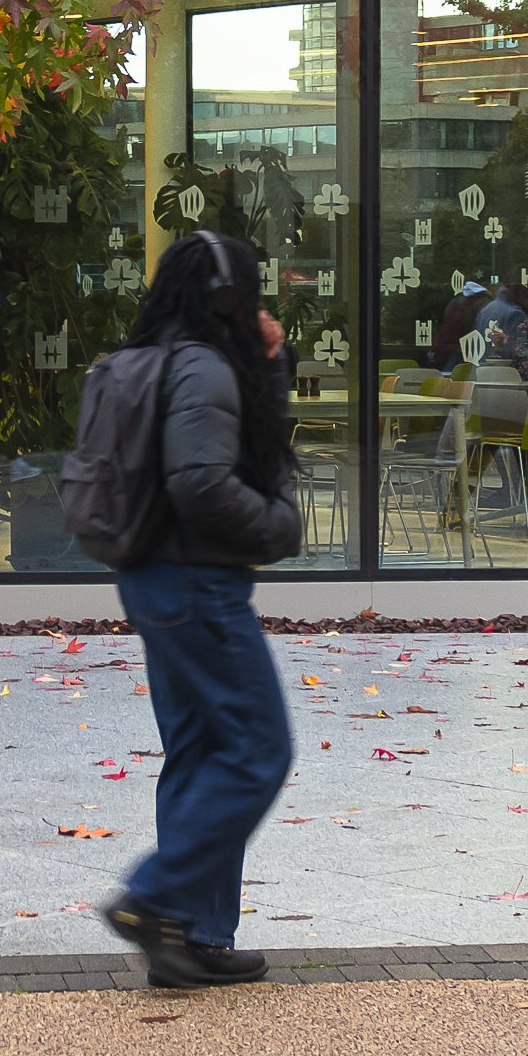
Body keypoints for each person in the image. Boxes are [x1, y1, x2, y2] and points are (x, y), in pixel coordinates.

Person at [94, 228, 306, 991]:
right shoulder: (205, 368)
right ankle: (153, 899)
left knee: (199, 750)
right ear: (228, 296)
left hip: (152, 575)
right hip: (197, 584)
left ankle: (192, 934)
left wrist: (271, 363)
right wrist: (277, 525)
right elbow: (202, 480)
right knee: (257, 750)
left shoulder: (160, 359)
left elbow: (229, 444)